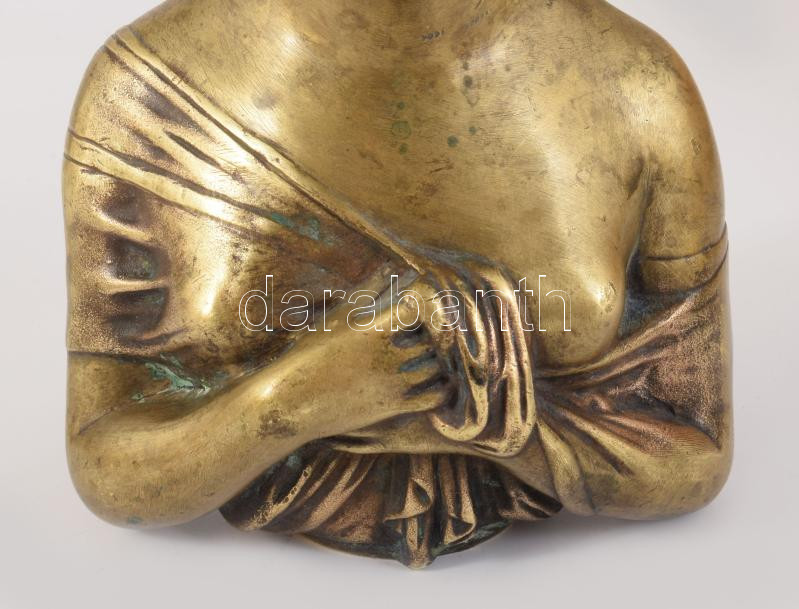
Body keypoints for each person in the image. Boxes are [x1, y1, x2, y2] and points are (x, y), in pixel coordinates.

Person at [64, 0, 732, 567]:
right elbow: (107, 465)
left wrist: (494, 425)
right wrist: (297, 399)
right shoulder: (147, 91)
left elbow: (696, 453)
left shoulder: (638, 86)